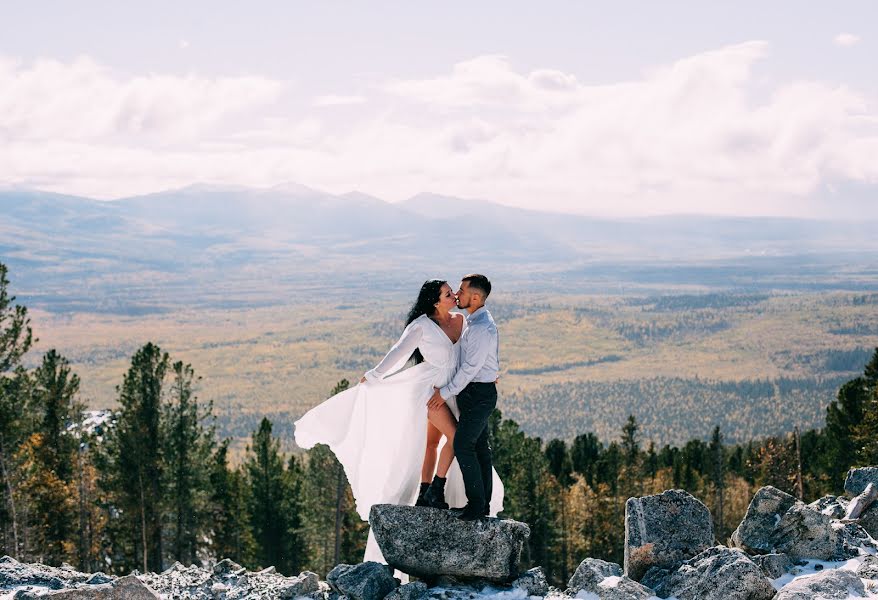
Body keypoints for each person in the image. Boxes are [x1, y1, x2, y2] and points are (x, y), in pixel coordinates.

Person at [293, 279, 503, 563]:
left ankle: (426, 491)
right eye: (447, 293)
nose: (454, 294)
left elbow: (472, 356)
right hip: (434, 392)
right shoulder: (420, 326)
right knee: (455, 440)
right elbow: (399, 352)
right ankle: (437, 490)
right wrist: (375, 375)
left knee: (432, 443)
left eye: (455, 291)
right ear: (434, 301)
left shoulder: (461, 321)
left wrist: (489, 372)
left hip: (455, 390)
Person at [428, 274, 499, 521]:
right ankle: (481, 505)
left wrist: (444, 393)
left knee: (462, 444)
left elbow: (470, 369)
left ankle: (477, 505)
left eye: (462, 290)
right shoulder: (474, 320)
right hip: (474, 393)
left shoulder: (481, 328)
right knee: (479, 447)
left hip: (479, 394)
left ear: (476, 297)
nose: (457, 294)